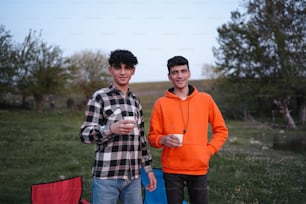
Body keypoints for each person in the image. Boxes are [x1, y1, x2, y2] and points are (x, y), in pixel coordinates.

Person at [148, 56, 228, 204]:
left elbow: (221, 130)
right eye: (175, 72)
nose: (179, 76)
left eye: (183, 71)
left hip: (198, 167)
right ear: (169, 76)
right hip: (172, 169)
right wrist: (163, 139)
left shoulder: (205, 99)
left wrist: (209, 150)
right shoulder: (161, 103)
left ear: (189, 73)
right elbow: (152, 137)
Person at [80, 49, 156, 204]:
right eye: (117, 67)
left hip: (133, 178)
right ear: (110, 70)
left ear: (132, 71)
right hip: (107, 177)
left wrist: (148, 170)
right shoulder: (100, 97)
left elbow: (141, 139)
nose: (122, 72)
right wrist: (110, 129)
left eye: (127, 67)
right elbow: (84, 134)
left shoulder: (135, 101)